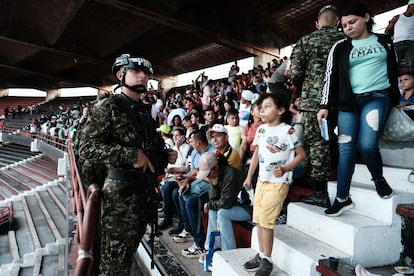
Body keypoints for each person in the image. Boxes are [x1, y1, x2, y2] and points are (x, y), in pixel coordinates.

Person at [77, 54, 176, 275]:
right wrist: (130, 155)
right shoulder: (108, 107)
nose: (143, 76)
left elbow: (151, 145)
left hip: (143, 196)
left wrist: (166, 154)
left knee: (127, 256)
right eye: (136, 71)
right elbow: (85, 148)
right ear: (121, 74)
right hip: (120, 198)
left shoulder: (144, 111)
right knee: (113, 265)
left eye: (147, 73)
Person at [317, 3, 400, 217]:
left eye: (352, 22)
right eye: (344, 25)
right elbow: (330, 77)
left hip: (377, 98)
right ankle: (342, 198)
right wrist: (324, 105)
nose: (348, 28)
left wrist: (396, 98)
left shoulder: (385, 41)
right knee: (345, 149)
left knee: (366, 144)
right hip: (348, 104)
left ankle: (378, 178)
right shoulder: (340, 47)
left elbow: (394, 69)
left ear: (366, 17)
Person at [243, 93, 306, 276]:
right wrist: (249, 177)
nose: (262, 109)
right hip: (262, 182)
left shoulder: (288, 131)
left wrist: (286, 168)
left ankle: (268, 261)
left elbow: (301, 155)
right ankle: (262, 254)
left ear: (280, 110)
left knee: (267, 222)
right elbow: (256, 155)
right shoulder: (261, 130)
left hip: (278, 183)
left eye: (268, 106)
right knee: (260, 221)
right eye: (261, 106)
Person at [289, 4, 345, 208]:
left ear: (317, 23)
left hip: (313, 102)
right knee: (343, 139)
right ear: (338, 21)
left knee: (319, 143)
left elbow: (294, 74)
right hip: (343, 100)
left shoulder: (306, 41)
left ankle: (321, 192)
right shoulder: (346, 40)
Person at [198, 152, 251, 260]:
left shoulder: (230, 174)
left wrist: (209, 204)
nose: (207, 176)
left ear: (216, 167)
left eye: (208, 173)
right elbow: (214, 200)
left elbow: (225, 204)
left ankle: (229, 252)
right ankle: (210, 249)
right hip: (234, 205)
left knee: (222, 213)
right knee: (213, 210)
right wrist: (213, 185)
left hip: (248, 208)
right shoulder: (216, 175)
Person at [385, 0, 414, 74]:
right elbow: (388, 30)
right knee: (394, 62)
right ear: (409, 6)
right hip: (398, 43)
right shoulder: (397, 17)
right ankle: (393, 79)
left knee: (410, 63)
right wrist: (388, 40)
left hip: (411, 43)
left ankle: (410, 81)